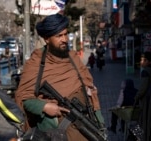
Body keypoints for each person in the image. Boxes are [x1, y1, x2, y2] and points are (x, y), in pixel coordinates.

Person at [15, 13, 105, 141]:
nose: (65, 39)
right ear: (47, 39)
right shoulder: (36, 63)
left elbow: (91, 92)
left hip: (85, 129)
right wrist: (44, 107)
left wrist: (100, 122)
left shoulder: (73, 58)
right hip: (55, 134)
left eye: (66, 34)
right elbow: (24, 98)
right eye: (59, 36)